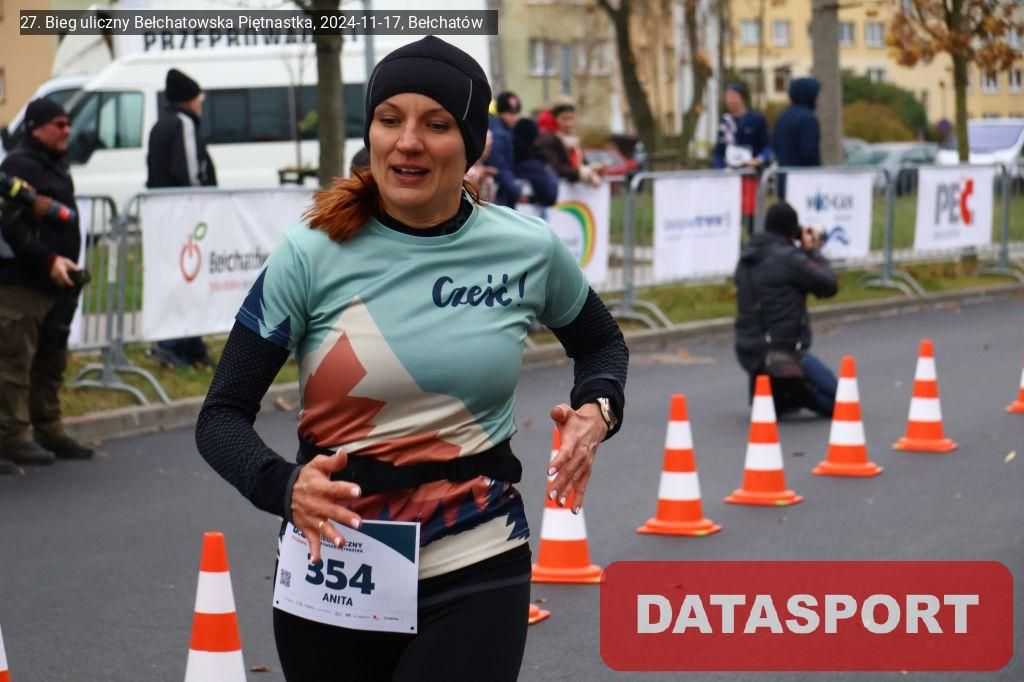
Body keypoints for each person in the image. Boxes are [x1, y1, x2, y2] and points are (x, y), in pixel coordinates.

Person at [195, 36, 628, 681]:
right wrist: (284, 487)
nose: (408, 143)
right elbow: (221, 414)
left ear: (474, 143)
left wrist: (598, 410)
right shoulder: (311, 251)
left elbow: (601, 343)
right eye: (389, 119)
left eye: (436, 124)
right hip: (334, 561)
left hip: (476, 552)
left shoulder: (527, 248)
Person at [0, 99, 95, 474]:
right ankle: (11, 436)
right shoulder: (19, 166)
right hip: (23, 283)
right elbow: (13, 227)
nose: (67, 130)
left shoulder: (53, 164)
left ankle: (48, 427)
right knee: (14, 363)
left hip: (56, 283)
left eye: (69, 124)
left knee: (50, 361)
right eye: (59, 124)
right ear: (35, 127)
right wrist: (48, 259)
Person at [733, 201, 838, 417]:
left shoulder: (746, 258)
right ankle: (794, 392)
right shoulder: (789, 259)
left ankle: (774, 395)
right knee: (843, 402)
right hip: (784, 351)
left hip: (748, 349)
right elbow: (828, 285)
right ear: (792, 231)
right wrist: (812, 251)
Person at [145, 68, 217, 370]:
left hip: (167, 216)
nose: (200, 104)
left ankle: (190, 343)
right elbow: (189, 173)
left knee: (179, 278)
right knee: (187, 278)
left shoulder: (160, 124)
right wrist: (202, 206)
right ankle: (175, 345)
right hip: (186, 217)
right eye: (198, 98)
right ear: (189, 100)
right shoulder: (183, 124)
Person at [712, 83, 771, 235]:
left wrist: (758, 160)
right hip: (730, 179)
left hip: (750, 178)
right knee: (730, 218)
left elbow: (768, 146)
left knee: (751, 220)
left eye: (733, 97)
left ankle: (754, 243)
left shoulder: (756, 120)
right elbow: (718, 151)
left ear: (741, 98)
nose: (730, 101)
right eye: (728, 97)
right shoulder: (725, 122)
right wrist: (720, 169)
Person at [772, 77, 821, 199]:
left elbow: (774, 145)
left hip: (783, 180)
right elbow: (809, 152)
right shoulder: (808, 119)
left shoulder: (782, 117)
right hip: (804, 182)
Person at [537, 101, 604, 187]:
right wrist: (583, 173)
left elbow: (582, 163)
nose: (569, 123)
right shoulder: (549, 139)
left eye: (571, 118)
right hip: (560, 188)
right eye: (564, 119)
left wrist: (593, 169)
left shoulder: (575, 140)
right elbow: (557, 167)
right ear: (555, 119)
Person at [486, 91, 524, 207]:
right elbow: (498, 166)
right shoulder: (499, 133)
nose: (516, 118)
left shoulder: (502, 129)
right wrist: (516, 190)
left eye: (517, 113)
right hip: (496, 191)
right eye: (511, 114)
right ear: (500, 113)